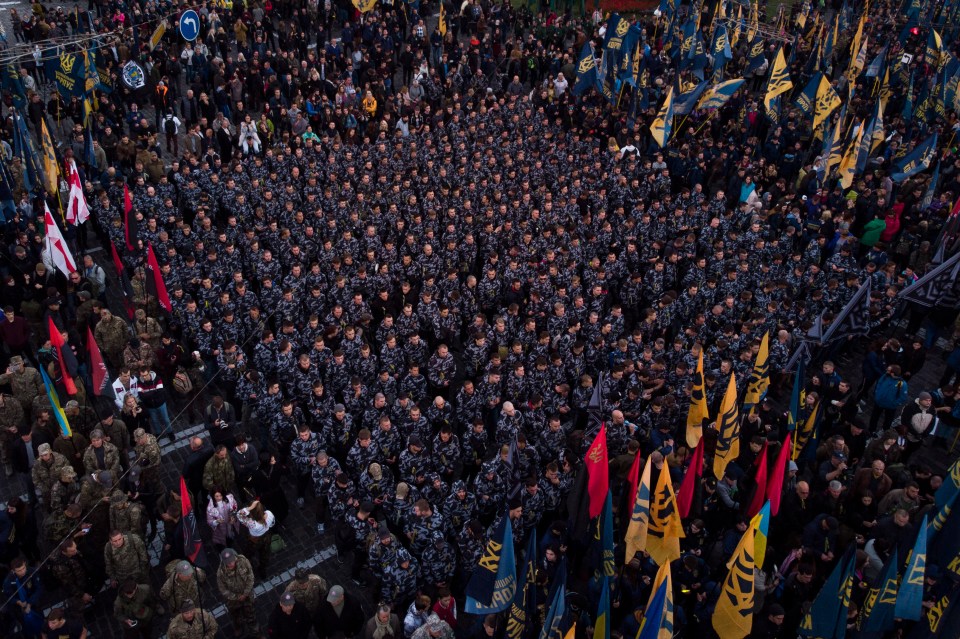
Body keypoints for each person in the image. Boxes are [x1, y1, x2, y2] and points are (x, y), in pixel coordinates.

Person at [216, 548, 258, 639]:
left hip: (247, 595)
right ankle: (238, 627)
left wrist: (245, 593)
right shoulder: (220, 573)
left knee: (251, 613)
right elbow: (223, 590)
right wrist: (237, 597)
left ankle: (255, 630)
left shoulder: (243, 561)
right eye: (227, 562)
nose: (230, 564)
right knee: (235, 616)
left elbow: (251, 577)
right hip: (233, 600)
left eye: (231, 561)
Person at [236, 499, 275, 579]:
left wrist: (250, 508)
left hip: (255, 540)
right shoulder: (269, 513)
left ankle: (249, 567)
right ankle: (262, 570)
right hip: (266, 537)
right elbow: (272, 524)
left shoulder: (252, 523)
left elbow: (239, 515)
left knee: (247, 554)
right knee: (265, 554)